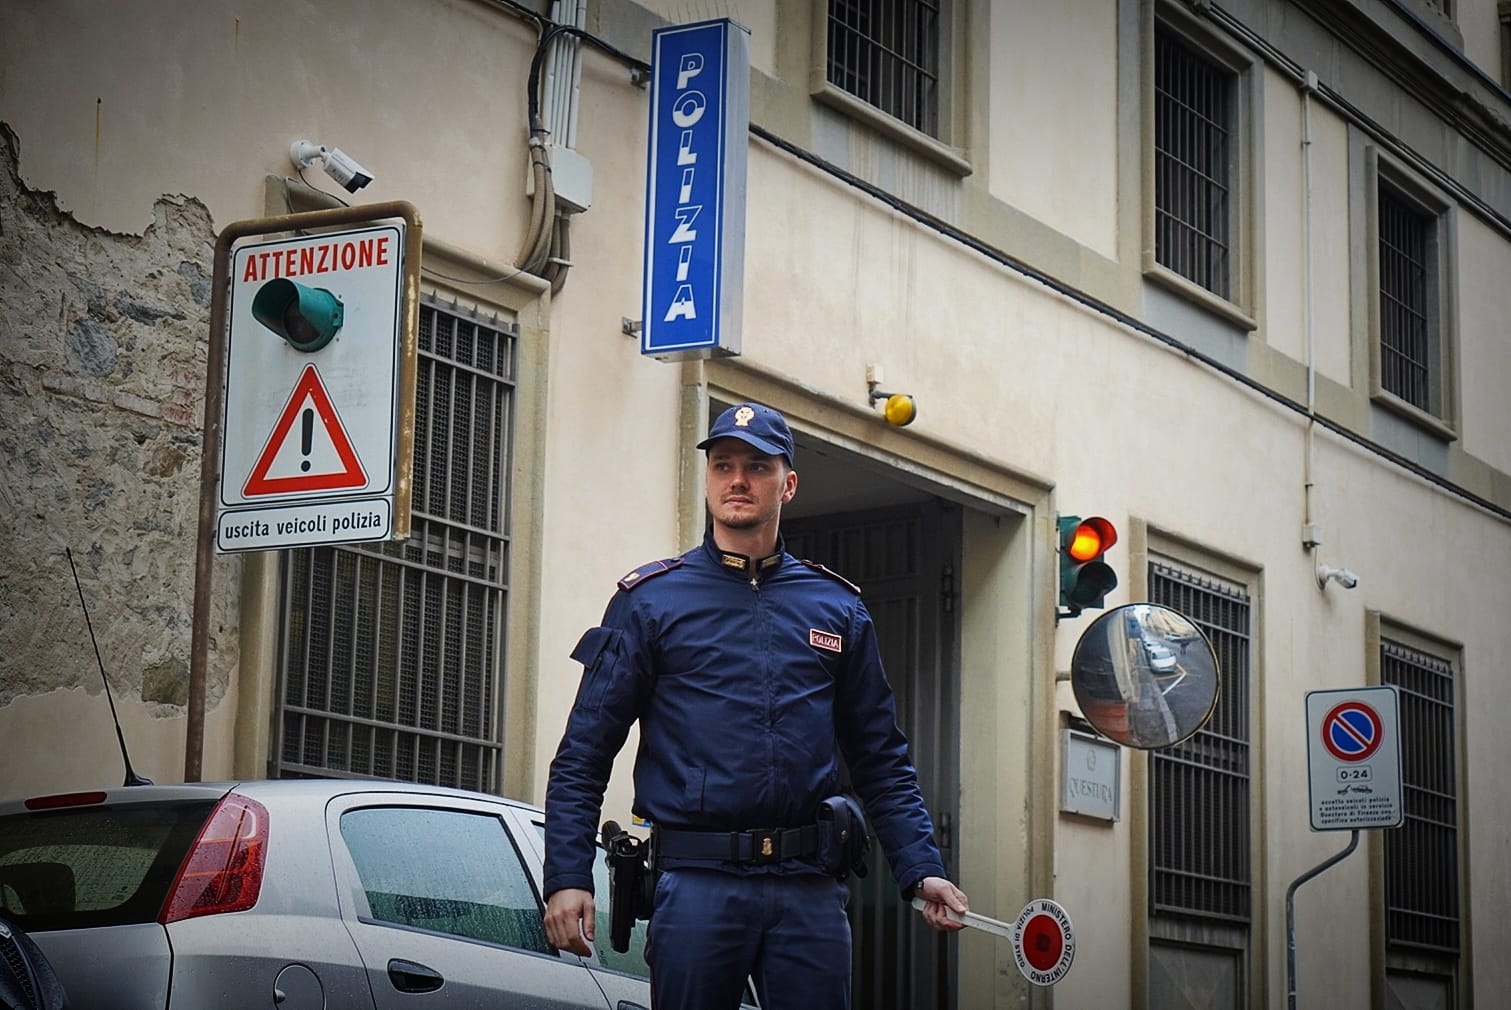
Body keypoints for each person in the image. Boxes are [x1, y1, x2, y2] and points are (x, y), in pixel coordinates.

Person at [543, 402, 968, 1010]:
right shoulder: (650, 603)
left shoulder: (837, 608)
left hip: (807, 891)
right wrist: (566, 876)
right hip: (696, 888)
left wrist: (919, 867)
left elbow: (881, 759)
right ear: (709, 479)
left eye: (756, 466)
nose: (737, 479)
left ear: (787, 484)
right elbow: (584, 753)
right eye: (723, 465)